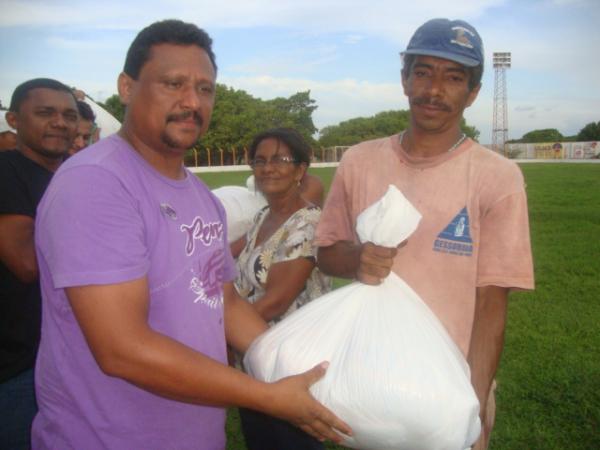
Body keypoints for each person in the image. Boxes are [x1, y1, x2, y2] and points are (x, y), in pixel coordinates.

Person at [31, 19, 349, 450]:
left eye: (205, 89)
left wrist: (287, 365)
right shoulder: (96, 184)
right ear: (127, 87)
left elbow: (225, 299)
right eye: (173, 83)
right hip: (110, 437)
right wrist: (267, 396)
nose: (191, 101)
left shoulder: (198, 194)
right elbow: (121, 348)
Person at [314, 18, 534, 450]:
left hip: (447, 383)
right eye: (423, 72)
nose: (434, 90)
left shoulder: (498, 177)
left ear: (472, 93)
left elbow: (491, 307)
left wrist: (470, 409)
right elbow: (325, 253)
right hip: (364, 373)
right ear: (404, 79)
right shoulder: (359, 161)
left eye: (453, 77)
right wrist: (357, 259)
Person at [234, 128, 331, 450]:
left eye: (279, 160)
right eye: (259, 160)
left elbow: (276, 301)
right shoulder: (263, 216)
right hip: (253, 360)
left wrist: (218, 331)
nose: (267, 168)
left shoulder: (308, 223)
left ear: (300, 170)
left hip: (289, 365)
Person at [0, 78, 78, 450]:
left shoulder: (71, 177)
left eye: (69, 115)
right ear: (14, 119)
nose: (60, 123)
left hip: (61, 353)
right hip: (18, 363)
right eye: (45, 113)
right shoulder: (6, 171)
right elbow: (26, 263)